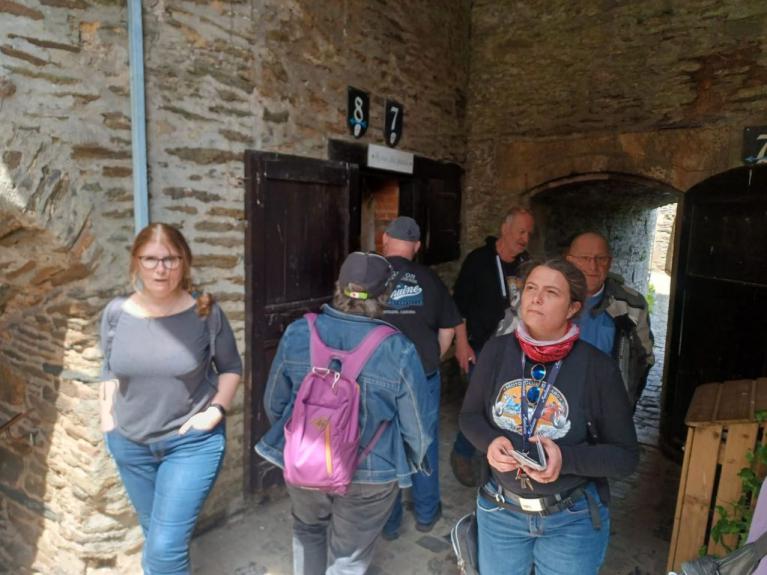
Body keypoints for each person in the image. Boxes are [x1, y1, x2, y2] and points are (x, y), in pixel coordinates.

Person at [459, 258, 639, 575]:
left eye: (551, 292)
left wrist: (565, 460)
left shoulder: (597, 368)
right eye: (531, 288)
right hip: (500, 513)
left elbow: (625, 457)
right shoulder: (497, 351)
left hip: (570, 519)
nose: (536, 298)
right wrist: (490, 442)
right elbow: (469, 417)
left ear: (573, 308)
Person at [255, 251, 430, 575]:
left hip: (307, 459)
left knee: (308, 530)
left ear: (338, 286)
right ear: (385, 295)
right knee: (348, 559)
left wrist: (301, 438)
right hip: (372, 470)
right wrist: (414, 460)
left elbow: (274, 402)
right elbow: (416, 424)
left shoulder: (298, 332)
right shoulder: (398, 349)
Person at [99, 222, 242, 575]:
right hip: (130, 444)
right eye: (150, 259)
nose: (160, 269)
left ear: (184, 262)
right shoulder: (115, 312)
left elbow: (230, 368)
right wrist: (107, 419)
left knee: (163, 551)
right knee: (155, 537)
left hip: (190, 444)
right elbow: (109, 369)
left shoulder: (205, 311)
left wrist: (215, 411)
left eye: (170, 259)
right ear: (136, 262)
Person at [379, 216, 462, 539]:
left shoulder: (368, 276)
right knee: (423, 443)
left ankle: (389, 522)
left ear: (385, 240)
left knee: (381, 444)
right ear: (416, 246)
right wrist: (431, 358)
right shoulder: (430, 278)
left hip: (378, 376)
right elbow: (448, 328)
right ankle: (426, 513)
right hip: (421, 374)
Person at [450, 206, 535, 485]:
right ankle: (462, 453)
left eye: (529, 233)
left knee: (507, 407)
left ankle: (499, 459)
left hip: (516, 349)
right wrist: (462, 345)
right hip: (481, 348)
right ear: (504, 229)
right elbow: (457, 308)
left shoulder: (526, 265)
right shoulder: (479, 261)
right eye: (521, 231)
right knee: (482, 406)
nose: (525, 238)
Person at [565, 232, 655, 407]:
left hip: (607, 405)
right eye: (584, 258)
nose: (593, 266)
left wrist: (625, 401)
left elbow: (644, 358)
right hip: (555, 403)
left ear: (610, 262)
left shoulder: (632, 304)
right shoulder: (549, 296)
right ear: (569, 261)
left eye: (601, 259)